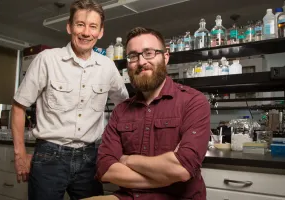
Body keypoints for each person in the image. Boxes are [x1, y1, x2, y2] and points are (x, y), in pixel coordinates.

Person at [11, 0, 128, 200]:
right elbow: (19, 106)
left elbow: (125, 107)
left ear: (100, 32)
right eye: (80, 24)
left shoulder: (107, 67)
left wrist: (116, 148)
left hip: (90, 159)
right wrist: (20, 155)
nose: (86, 32)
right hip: (49, 157)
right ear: (69, 27)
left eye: (93, 26)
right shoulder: (47, 59)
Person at [85, 27, 210, 200]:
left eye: (149, 53)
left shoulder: (193, 101)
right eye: (133, 56)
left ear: (165, 57)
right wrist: (166, 174)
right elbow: (105, 169)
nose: (141, 61)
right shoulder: (121, 111)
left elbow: (182, 168)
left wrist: (126, 160)